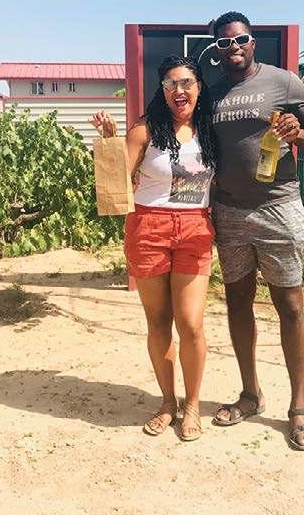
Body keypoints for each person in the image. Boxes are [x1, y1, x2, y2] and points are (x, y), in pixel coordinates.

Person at [209, 12, 304, 451]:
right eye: (225, 42)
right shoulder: (211, 92)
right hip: (229, 211)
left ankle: (298, 407)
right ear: (217, 49)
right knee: (238, 302)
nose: (234, 47)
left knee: (290, 305)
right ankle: (250, 394)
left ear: (253, 41)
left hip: (277, 208)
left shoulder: (284, 82)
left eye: (241, 39)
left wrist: (298, 133)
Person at [90, 56, 216, 442]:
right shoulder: (145, 131)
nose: (179, 90)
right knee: (159, 322)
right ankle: (167, 402)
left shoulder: (210, 130)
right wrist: (111, 143)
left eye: (187, 82)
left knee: (190, 322)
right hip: (149, 228)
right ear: (162, 91)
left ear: (199, 88)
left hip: (195, 228)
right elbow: (116, 181)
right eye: (171, 84)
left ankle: (192, 404)